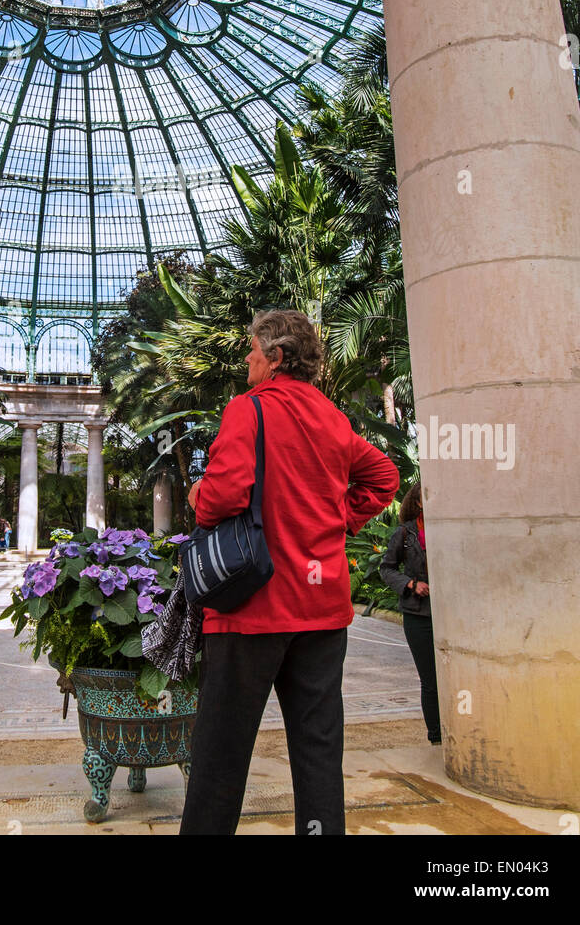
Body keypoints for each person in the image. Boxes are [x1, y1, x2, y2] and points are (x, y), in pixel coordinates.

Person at [179, 309, 400, 836]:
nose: (248, 359)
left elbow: (225, 495)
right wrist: (337, 520)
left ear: (276, 357)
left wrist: (197, 496)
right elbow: (385, 477)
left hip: (252, 609)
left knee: (222, 750)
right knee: (318, 745)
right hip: (322, 611)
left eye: (254, 350)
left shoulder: (248, 410)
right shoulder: (332, 418)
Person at [379, 481, 441, 745]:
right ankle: (437, 737)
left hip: (451, 613)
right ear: (418, 503)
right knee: (431, 680)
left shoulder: (448, 527)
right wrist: (411, 584)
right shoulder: (405, 533)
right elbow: (386, 568)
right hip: (419, 615)